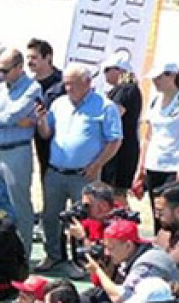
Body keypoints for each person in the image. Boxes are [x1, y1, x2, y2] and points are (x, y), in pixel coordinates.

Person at [37, 65, 122, 273]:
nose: (67, 88)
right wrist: (41, 120)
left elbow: (115, 140)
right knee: (51, 217)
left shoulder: (105, 106)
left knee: (84, 219)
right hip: (56, 171)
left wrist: (96, 165)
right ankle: (54, 256)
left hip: (84, 175)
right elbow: (47, 134)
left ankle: (81, 261)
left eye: (72, 84)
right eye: (65, 83)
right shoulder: (58, 104)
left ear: (87, 83)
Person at [0, 48, 39, 251]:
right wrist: (0, 119)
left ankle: (23, 254)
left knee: (19, 204)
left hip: (16, 152)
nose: (0, 75)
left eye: (4, 71)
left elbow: (12, 115)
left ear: (19, 67)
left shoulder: (32, 88)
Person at [134, 63, 179, 222]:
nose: (156, 81)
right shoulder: (154, 101)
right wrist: (141, 166)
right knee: (157, 211)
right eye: (154, 78)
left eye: (159, 77)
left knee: (173, 212)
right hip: (153, 163)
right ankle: (160, 243)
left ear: (172, 76)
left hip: (174, 164)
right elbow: (147, 136)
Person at [83, 218, 179, 303]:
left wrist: (97, 270)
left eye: (110, 248)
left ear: (128, 245)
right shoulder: (136, 252)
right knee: (93, 295)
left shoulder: (145, 265)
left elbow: (120, 299)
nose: (107, 253)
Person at [100, 57, 143, 201]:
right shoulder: (119, 90)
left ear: (119, 70)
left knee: (116, 195)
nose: (104, 74)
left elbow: (115, 114)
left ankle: (125, 221)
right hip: (119, 149)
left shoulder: (126, 89)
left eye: (107, 70)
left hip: (121, 151)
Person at [27, 37, 65, 176]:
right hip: (41, 143)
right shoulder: (28, 85)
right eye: (28, 57)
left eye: (34, 57)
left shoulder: (64, 83)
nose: (29, 61)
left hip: (63, 140)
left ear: (47, 57)